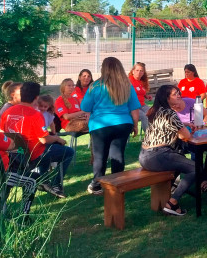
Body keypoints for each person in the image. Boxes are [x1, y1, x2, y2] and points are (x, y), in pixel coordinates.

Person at [1, 81, 74, 198]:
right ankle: (56, 185)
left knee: (48, 151)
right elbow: (44, 139)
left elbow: (3, 133)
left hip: (15, 154)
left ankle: (43, 180)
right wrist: (58, 139)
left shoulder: (8, 112)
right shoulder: (35, 114)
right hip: (32, 154)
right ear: (36, 98)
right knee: (68, 152)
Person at [81, 57, 141, 195]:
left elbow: (85, 107)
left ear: (104, 68)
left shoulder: (95, 86)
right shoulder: (127, 85)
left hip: (100, 125)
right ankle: (117, 183)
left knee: (99, 156)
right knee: (117, 153)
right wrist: (135, 125)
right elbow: (134, 108)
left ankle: (97, 184)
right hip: (123, 123)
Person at [139, 85, 196, 216]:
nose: (179, 95)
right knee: (195, 167)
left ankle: (169, 192)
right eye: (175, 94)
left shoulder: (155, 110)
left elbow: (167, 127)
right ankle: (172, 203)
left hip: (144, 156)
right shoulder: (169, 113)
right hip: (158, 155)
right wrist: (187, 129)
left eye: (179, 93)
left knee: (179, 156)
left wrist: (184, 125)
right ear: (167, 98)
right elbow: (185, 136)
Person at [129, 62, 153, 132]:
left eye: (141, 71)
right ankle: (148, 136)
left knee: (154, 113)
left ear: (143, 73)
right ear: (133, 71)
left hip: (142, 105)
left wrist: (146, 96)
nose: (139, 72)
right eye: (137, 70)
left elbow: (141, 92)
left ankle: (155, 133)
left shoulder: (141, 82)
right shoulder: (128, 81)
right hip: (133, 107)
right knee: (144, 116)